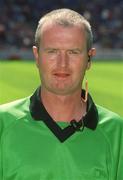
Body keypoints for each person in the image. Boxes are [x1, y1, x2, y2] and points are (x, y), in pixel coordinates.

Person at [0, 8, 123, 180]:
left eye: (73, 52)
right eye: (52, 51)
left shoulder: (117, 131)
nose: (62, 63)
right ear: (36, 56)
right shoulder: (3, 124)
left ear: (89, 58)